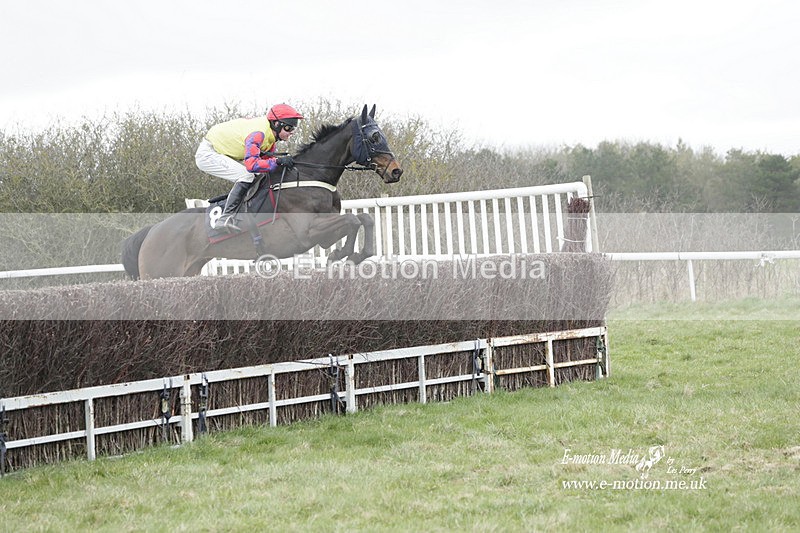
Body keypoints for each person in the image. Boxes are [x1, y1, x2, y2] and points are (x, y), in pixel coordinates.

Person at [195, 103, 304, 231]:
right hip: (208, 154)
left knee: (259, 176)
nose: (291, 133)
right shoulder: (259, 133)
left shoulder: (270, 140)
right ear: (276, 124)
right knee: (246, 175)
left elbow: (266, 166)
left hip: (224, 153)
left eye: (293, 129)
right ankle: (225, 218)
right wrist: (278, 162)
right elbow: (252, 165)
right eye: (288, 128)